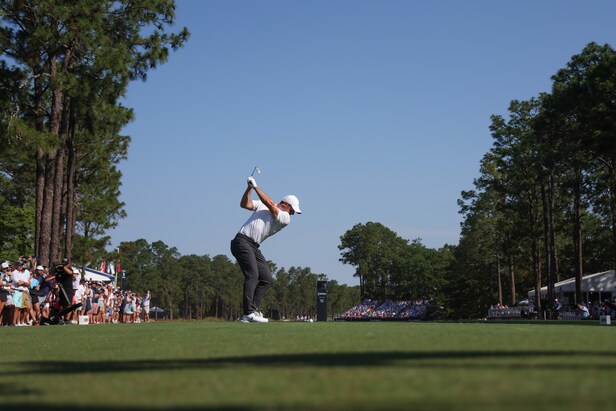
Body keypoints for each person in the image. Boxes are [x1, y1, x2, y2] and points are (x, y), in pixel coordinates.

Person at [230, 174, 301, 323]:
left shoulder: (285, 218)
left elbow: (269, 202)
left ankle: (252, 310)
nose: (293, 213)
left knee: (267, 279)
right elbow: (245, 204)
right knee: (253, 275)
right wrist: (248, 188)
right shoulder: (266, 205)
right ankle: (248, 314)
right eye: (293, 209)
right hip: (241, 241)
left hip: (253, 246)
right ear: (286, 204)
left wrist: (255, 186)